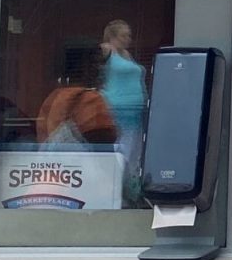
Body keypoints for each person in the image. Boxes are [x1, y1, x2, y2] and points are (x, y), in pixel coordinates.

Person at [99, 19, 150, 199]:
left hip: (134, 111)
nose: (128, 39)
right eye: (123, 35)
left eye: (129, 35)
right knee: (119, 151)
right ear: (112, 37)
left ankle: (128, 192)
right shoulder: (106, 51)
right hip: (116, 110)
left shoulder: (126, 54)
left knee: (134, 152)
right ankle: (114, 190)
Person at [35, 48, 118, 148]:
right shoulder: (91, 99)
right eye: (97, 63)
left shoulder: (53, 97)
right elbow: (103, 141)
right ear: (85, 67)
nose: (102, 69)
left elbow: (41, 136)